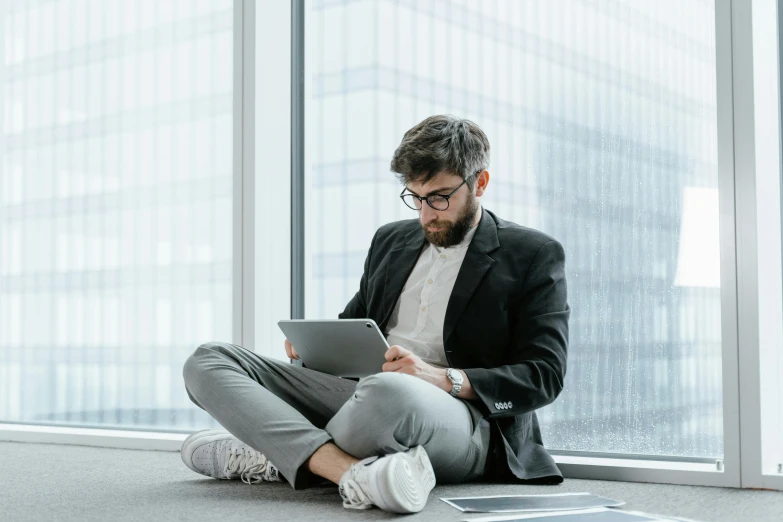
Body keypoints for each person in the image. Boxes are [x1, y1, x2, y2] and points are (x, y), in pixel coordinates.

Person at [180, 115, 570, 514]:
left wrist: (440, 378)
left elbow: (545, 375)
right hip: (363, 398)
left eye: (439, 197)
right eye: (414, 197)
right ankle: (349, 471)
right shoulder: (391, 240)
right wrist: (311, 349)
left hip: (461, 419)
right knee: (207, 359)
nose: (425, 215)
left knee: (388, 392)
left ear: (480, 183)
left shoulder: (533, 254)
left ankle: (275, 452)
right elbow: (356, 326)